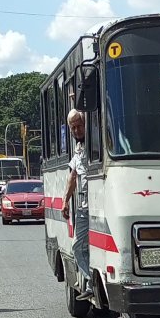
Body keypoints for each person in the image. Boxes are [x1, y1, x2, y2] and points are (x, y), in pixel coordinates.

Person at [62, 109, 92, 300]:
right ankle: (90, 281)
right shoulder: (79, 148)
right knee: (78, 247)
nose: (76, 130)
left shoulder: (97, 143)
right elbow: (73, 176)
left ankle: (92, 283)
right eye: (73, 127)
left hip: (96, 205)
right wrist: (65, 201)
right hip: (83, 207)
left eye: (79, 125)